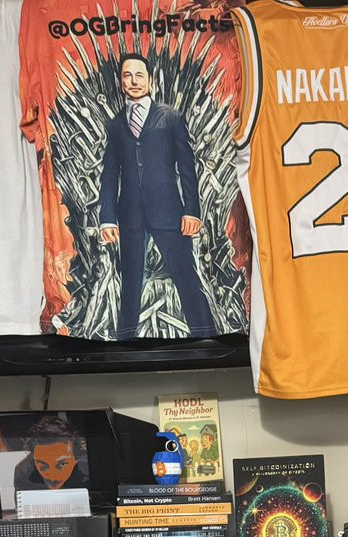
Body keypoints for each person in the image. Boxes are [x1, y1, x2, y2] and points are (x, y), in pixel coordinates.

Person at [98, 53, 217, 338]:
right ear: (121, 82)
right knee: (130, 282)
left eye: (139, 75)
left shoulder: (171, 118)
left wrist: (192, 211)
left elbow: (186, 168)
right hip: (130, 216)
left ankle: (206, 335)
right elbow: (109, 174)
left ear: (150, 80)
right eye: (127, 75)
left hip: (169, 212)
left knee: (186, 276)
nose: (133, 81)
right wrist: (107, 218)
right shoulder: (115, 126)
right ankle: (126, 340)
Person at [12, 415, 90, 493]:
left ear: (76, 459)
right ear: (34, 457)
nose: (52, 477)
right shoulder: (24, 473)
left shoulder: (89, 469)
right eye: (42, 464)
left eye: (62, 464)